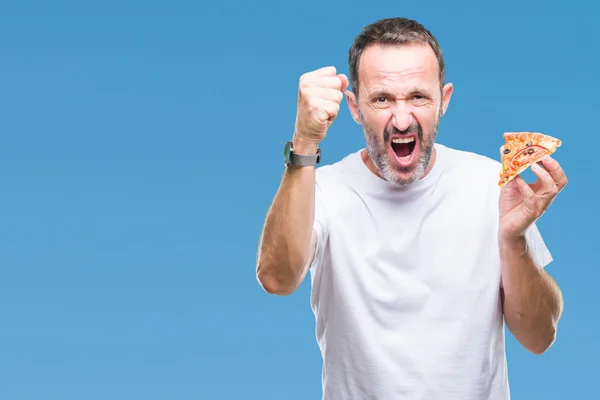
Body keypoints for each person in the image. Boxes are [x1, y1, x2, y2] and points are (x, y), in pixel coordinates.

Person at [255, 17, 567, 400]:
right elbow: (276, 279)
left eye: (418, 97)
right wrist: (304, 141)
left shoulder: (491, 186)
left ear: (444, 100)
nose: (401, 120)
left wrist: (513, 238)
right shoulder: (323, 191)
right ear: (354, 107)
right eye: (382, 99)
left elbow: (539, 337)